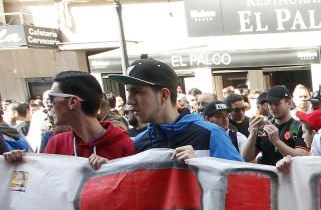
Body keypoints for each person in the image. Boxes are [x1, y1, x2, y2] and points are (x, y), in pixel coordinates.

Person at [111, 59, 241, 162]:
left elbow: (240, 184)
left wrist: (201, 165)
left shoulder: (211, 134)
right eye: (129, 92)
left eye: (137, 92)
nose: (129, 101)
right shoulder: (139, 142)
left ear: (163, 95)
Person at [3, 71, 134, 170]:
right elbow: (41, 186)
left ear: (72, 102)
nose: (49, 104)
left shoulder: (123, 145)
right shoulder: (56, 143)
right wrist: (19, 164)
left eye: (52, 97)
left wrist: (110, 171)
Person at [242, 85, 309, 166]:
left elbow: (302, 158)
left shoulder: (298, 127)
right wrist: (252, 134)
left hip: (289, 177)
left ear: (289, 102)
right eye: (270, 104)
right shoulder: (264, 127)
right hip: (267, 176)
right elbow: (246, 157)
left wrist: (276, 141)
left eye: (277, 103)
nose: (273, 108)